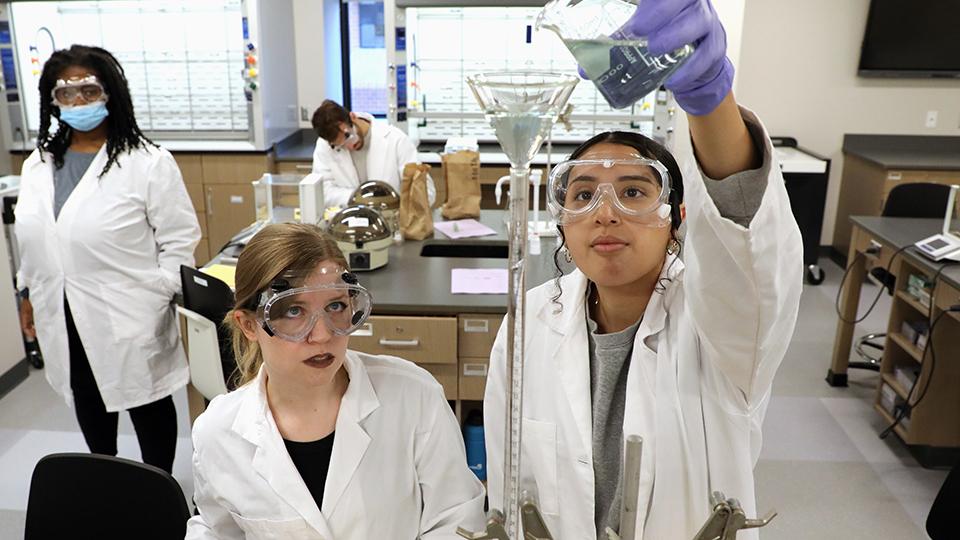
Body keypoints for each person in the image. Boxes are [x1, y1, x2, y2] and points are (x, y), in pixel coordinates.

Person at [483, 1, 804, 538]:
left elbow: (748, 244)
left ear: (677, 218)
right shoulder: (530, 321)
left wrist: (709, 99)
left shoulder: (720, 322)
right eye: (582, 194)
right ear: (562, 224)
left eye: (633, 191)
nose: (604, 213)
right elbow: (507, 482)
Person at [186, 223, 485, 539]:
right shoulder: (217, 432)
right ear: (248, 325)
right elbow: (215, 530)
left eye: (336, 306)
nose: (323, 334)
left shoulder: (414, 397)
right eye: (293, 311)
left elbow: (457, 521)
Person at [14, 45, 200, 473]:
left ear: (109, 93)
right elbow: (35, 240)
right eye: (66, 94)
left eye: (88, 89)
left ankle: (161, 489)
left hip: (129, 315)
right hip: (60, 311)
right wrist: (27, 293)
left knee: (147, 405)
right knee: (88, 399)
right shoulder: (38, 164)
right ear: (52, 100)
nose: (78, 102)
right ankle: (108, 488)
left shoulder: (147, 163)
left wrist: (157, 297)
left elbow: (179, 240)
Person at [309, 99, 434, 207]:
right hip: (350, 224)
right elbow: (323, 192)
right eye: (339, 146)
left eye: (348, 136)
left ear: (352, 117)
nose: (350, 146)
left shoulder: (395, 140)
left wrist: (396, 204)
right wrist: (361, 198)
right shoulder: (324, 146)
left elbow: (425, 191)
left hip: (393, 223)